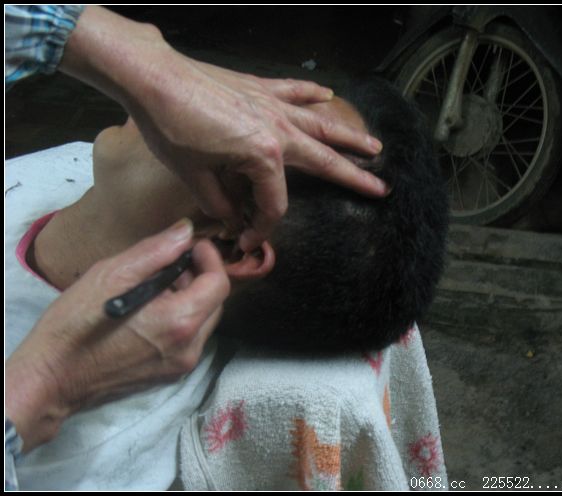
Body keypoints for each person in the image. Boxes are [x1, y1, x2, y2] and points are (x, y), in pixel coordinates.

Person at [4, 6, 390, 487]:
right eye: (252, 100)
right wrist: (111, 46)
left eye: (253, 127)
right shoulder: (71, 167)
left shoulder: (74, 462)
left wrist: (41, 389)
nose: (211, 96)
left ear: (232, 245)